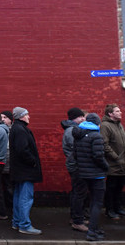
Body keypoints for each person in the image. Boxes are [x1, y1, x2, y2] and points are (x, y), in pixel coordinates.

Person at [72, 113, 108, 242]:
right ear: (97, 123)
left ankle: (93, 228)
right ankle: (92, 232)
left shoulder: (78, 136)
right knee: (96, 203)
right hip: (97, 175)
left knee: (87, 199)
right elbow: (98, 156)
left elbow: (75, 154)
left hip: (82, 173)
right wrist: (106, 166)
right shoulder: (96, 136)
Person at [9, 107, 43, 235]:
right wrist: (33, 161)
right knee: (25, 198)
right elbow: (22, 150)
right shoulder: (21, 130)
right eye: (27, 114)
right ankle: (24, 224)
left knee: (19, 196)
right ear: (21, 116)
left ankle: (17, 222)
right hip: (25, 171)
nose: (29, 117)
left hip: (19, 171)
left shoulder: (16, 128)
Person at [61, 107, 88, 231]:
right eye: (80, 116)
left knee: (76, 192)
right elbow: (78, 148)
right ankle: (77, 220)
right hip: (77, 165)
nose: (83, 118)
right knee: (79, 193)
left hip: (75, 165)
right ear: (74, 118)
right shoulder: (72, 131)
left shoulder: (71, 129)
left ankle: (76, 217)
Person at [100, 103, 125, 219]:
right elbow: (104, 144)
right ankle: (109, 210)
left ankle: (118, 208)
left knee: (120, 187)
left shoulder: (119, 125)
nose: (120, 112)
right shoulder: (105, 126)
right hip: (113, 164)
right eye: (117, 111)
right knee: (111, 187)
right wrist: (116, 157)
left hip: (122, 163)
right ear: (110, 114)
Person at [0, 111, 14, 209]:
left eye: (5, 117)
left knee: (10, 187)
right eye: (1, 117)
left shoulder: (14, 131)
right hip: (0, 163)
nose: (3, 119)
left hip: (10, 164)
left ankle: (12, 207)